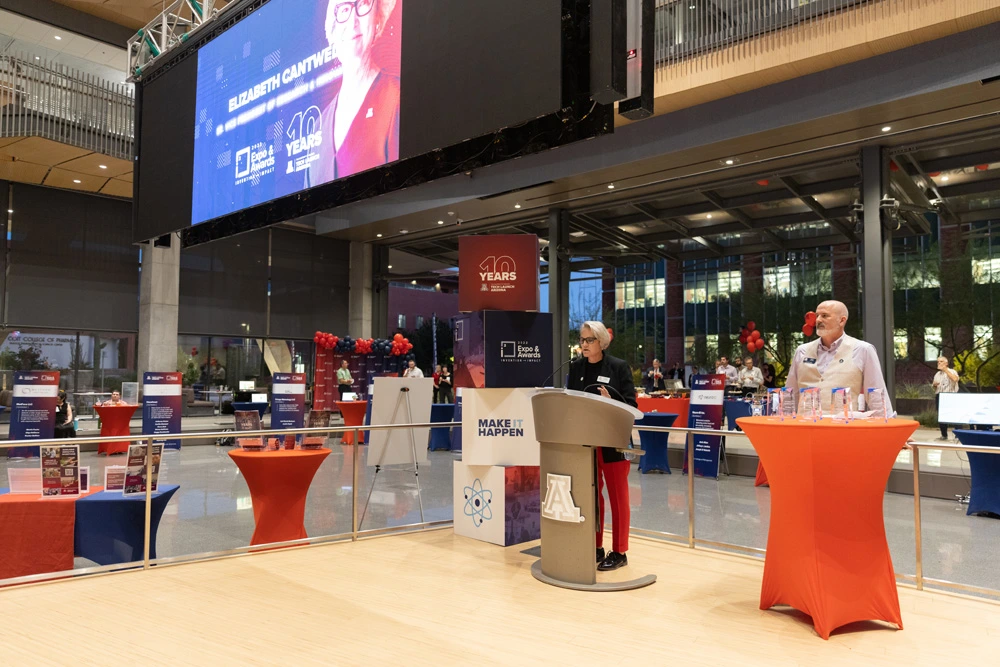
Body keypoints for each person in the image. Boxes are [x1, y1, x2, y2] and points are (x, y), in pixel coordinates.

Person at [567, 320, 637, 572]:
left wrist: (612, 399)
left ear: (601, 342)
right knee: (592, 497)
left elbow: (631, 405)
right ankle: (595, 545)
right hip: (586, 441)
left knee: (618, 497)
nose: (583, 345)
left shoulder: (617, 367)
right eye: (581, 340)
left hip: (613, 440)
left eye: (589, 340)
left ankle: (619, 551)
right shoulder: (575, 367)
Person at [308, 0, 400, 188]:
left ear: (378, 17)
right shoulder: (319, 127)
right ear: (332, 30)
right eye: (343, 9)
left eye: (363, 4)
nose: (352, 21)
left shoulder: (396, 98)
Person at [785, 300, 893, 414]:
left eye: (825, 316)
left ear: (842, 321)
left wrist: (888, 425)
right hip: (806, 427)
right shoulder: (802, 351)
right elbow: (790, 394)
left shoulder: (863, 350)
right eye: (817, 315)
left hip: (843, 427)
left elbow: (875, 393)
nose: (818, 320)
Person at [932, 355, 960, 441]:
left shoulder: (952, 371)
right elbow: (934, 387)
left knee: (954, 415)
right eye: (938, 362)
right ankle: (944, 435)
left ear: (946, 363)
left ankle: (958, 435)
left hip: (950, 395)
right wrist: (934, 385)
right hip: (940, 395)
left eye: (941, 361)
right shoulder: (937, 374)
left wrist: (946, 371)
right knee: (941, 416)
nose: (939, 363)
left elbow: (955, 379)